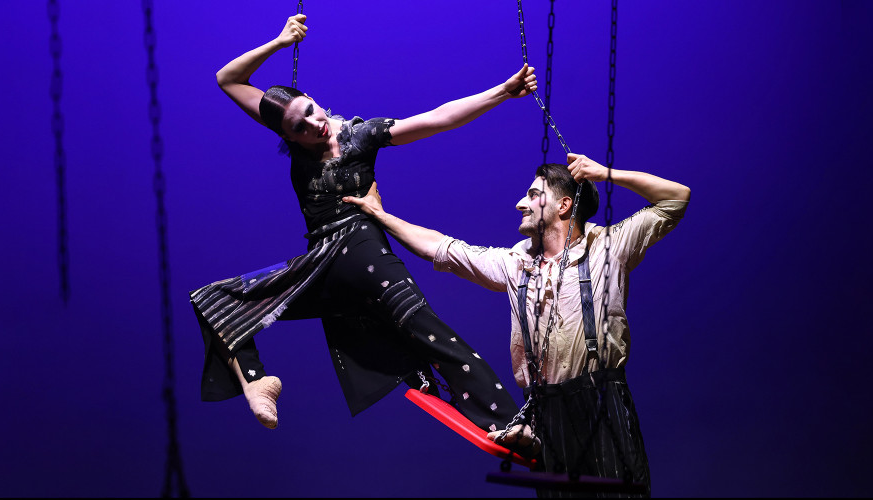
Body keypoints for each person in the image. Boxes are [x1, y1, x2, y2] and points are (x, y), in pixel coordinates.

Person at [191, 13, 537, 437]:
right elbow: (227, 79)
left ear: (314, 99)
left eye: (311, 111)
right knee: (214, 301)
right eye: (300, 127)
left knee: (430, 333)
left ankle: (511, 423)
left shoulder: (362, 135)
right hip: (320, 265)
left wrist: (502, 92)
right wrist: (279, 42)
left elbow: (438, 117)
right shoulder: (292, 136)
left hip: (363, 251)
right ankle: (256, 382)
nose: (314, 124)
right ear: (288, 136)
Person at [343, 152, 690, 497]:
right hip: (546, 413)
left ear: (564, 205)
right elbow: (440, 248)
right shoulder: (515, 263)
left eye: (533, 195)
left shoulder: (609, 247)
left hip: (603, 402)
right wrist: (381, 216)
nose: (520, 204)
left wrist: (604, 173)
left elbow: (676, 198)